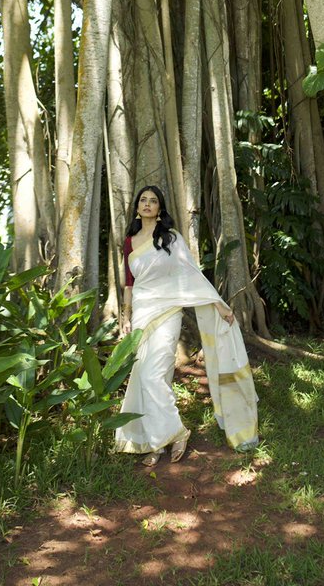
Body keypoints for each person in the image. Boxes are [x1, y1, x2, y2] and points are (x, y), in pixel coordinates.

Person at [114, 185, 258, 468]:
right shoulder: (130, 240)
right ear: (137, 206)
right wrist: (126, 314)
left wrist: (217, 303)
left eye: (153, 201)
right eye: (143, 200)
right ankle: (156, 441)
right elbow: (130, 282)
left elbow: (190, 274)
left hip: (168, 312)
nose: (147, 204)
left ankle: (176, 432)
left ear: (160, 208)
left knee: (154, 375)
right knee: (146, 376)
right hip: (142, 311)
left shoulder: (170, 238)